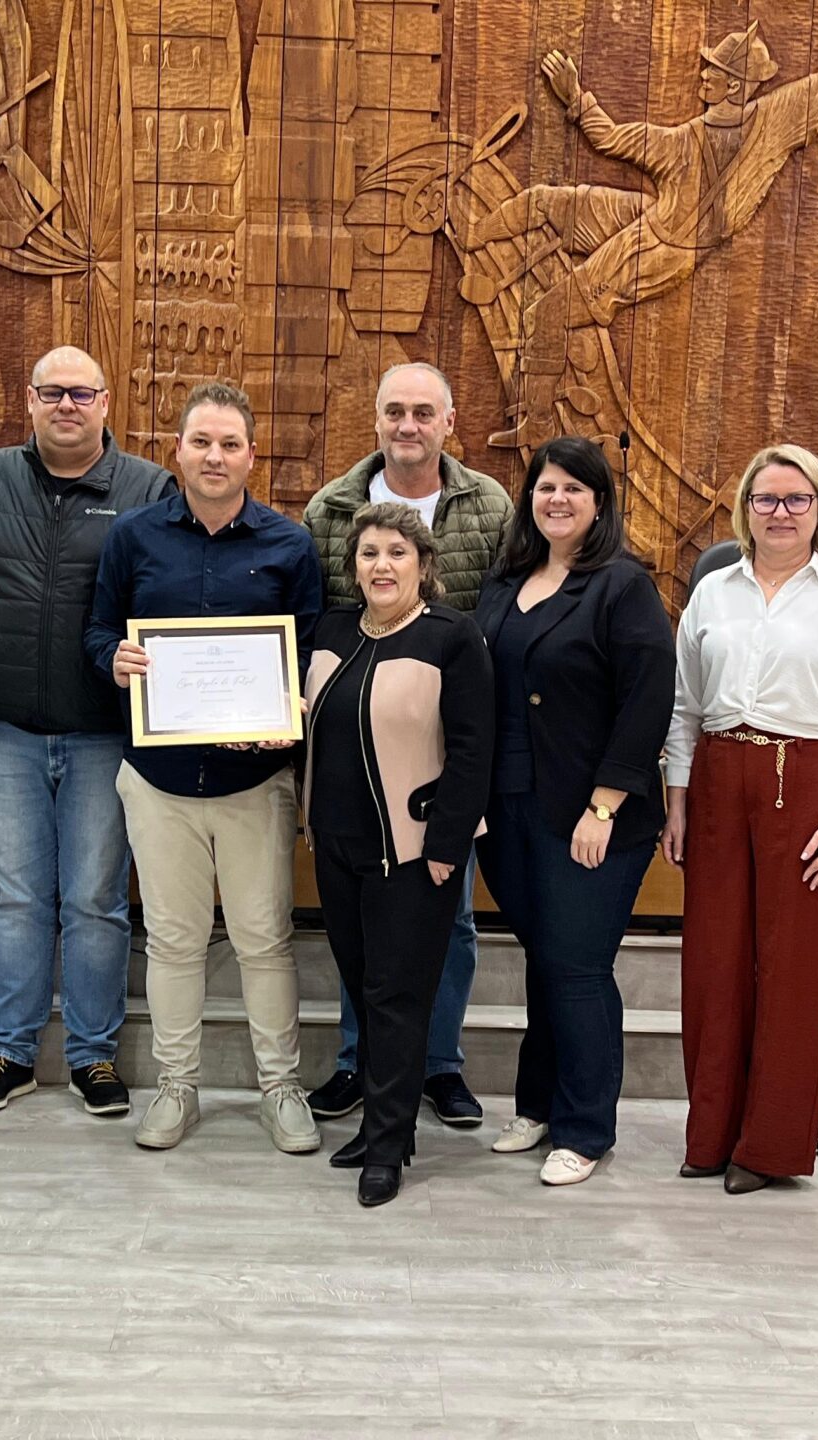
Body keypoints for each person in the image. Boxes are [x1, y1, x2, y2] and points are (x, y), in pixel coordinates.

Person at [87, 382, 323, 1154]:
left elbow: (313, 660)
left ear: (251, 454)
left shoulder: (289, 545)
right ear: (176, 450)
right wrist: (113, 660)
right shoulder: (133, 537)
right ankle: (177, 1087)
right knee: (175, 941)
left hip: (255, 784)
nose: (214, 456)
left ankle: (280, 1087)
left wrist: (284, 714)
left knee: (263, 938)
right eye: (201, 442)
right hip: (158, 781)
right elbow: (98, 632)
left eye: (229, 444)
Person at [0, 345, 174, 1119]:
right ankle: (7, 1052)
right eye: (53, 393)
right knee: (14, 898)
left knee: (94, 899)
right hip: (8, 728)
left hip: (101, 732)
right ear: (30, 399)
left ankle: (93, 1057)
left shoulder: (148, 488)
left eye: (82, 393)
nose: (67, 406)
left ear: (107, 402)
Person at [662, 443, 818, 1195]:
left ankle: (769, 1146)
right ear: (745, 511)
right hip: (721, 779)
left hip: (811, 786)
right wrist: (679, 801)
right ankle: (712, 1131)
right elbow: (684, 706)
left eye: (798, 500)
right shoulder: (712, 593)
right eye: (767, 500)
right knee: (716, 963)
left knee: (792, 971)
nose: (782, 513)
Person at [299, 362, 513, 1131]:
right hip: (357, 754)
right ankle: (362, 1063)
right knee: (360, 930)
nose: (408, 425)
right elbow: (320, 627)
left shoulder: (488, 506)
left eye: (424, 411)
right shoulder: (332, 509)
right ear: (377, 419)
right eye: (395, 411)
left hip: (440, 754)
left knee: (445, 920)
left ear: (449, 421)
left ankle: (437, 1065)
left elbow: (503, 612)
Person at [473, 438, 674, 1187]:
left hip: (592, 814)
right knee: (545, 957)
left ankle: (586, 1128)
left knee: (578, 966)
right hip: (510, 811)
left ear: (599, 502)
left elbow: (648, 698)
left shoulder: (621, 586)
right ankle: (538, 1103)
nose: (556, 499)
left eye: (574, 490)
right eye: (545, 487)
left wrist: (605, 804)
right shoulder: (505, 582)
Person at [303, 503, 493, 1207]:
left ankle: (386, 1146)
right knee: (364, 991)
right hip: (338, 848)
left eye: (396, 553)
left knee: (398, 998)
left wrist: (448, 844)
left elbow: (474, 749)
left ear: (424, 565)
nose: (381, 565)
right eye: (368, 553)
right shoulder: (331, 632)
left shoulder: (451, 636)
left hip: (414, 854)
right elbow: (305, 720)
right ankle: (390, 1124)